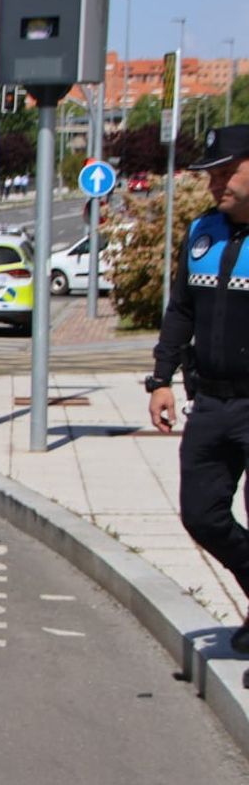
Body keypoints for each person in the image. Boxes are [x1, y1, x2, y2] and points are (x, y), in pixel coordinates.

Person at [146, 124, 249, 652]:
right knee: (202, 515)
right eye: (212, 175)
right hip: (209, 401)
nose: (216, 184)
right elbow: (182, 309)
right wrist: (161, 379)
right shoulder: (202, 232)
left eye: (227, 172)